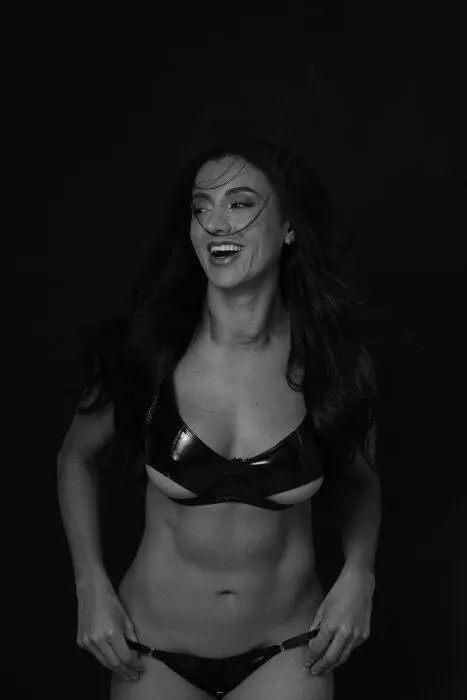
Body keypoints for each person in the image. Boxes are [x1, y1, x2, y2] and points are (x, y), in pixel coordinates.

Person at [57, 133, 382, 700]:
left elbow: (362, 479)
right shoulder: (148, 353)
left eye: (239, 203)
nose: (215, 223)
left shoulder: (336, 364)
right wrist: (90, 585)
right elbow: (74, 457)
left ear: (289, 226)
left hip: (287, 650)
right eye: (200, 208)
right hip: (151, 651)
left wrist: (360, 574)